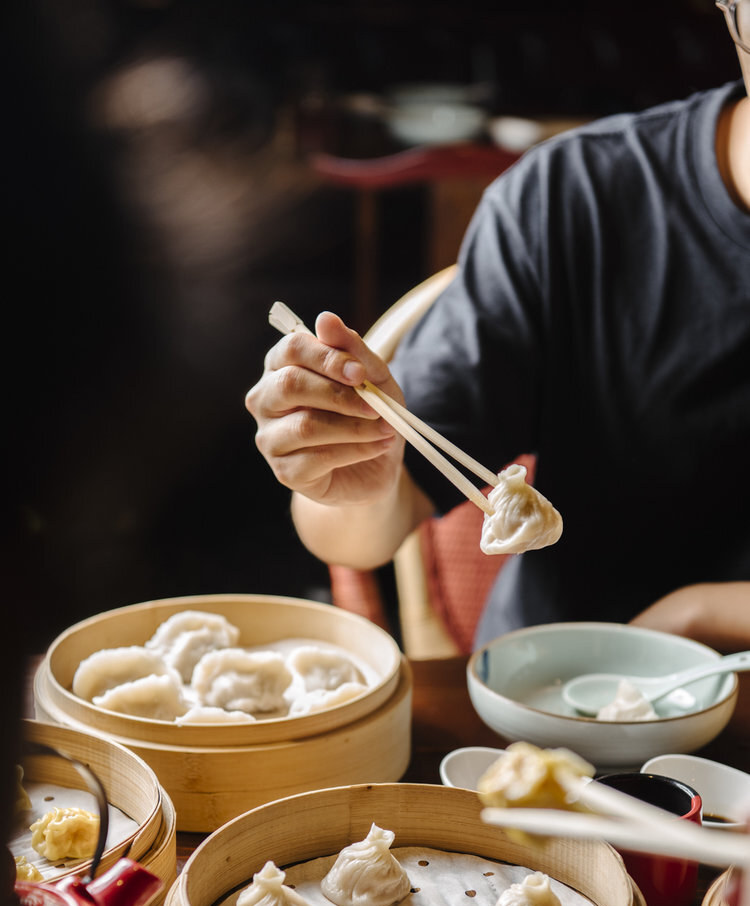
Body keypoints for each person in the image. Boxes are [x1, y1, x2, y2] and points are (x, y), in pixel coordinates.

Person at [246, 0, 750, 656]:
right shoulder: (577, 198)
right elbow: (370, 518)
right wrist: (348, 475)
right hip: (561, 717)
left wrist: (704, 613)